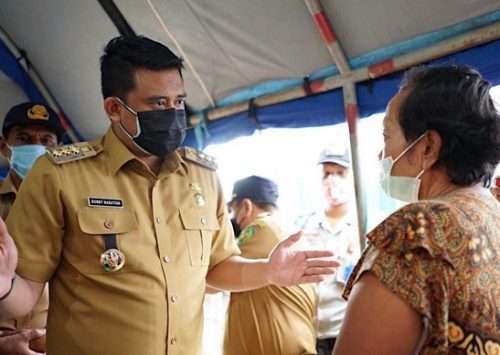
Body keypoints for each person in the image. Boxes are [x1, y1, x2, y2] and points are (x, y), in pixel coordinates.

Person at [0, 36, 337, 355]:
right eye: (157, 103)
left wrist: (268, 272)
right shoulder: (61, 176)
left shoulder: (202, 178)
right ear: (114, 108)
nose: (173, 114)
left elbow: (217, 268)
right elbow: (26, 293)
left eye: (178, 102)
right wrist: (3, 285)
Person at [333, 65, 500, 354]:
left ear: (428, 147)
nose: (381, 155)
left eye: (387, 137)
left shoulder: (416, 230)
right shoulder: (493, 214)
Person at [223, 175, 317, 355]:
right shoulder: (289, 231)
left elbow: (215, 275)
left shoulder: (259, 227)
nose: (232, 218)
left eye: (232, 209)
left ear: (246, 206)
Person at [0, 102, 65, 354]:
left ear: (58, 149)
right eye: (24, 139)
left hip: (50, 340)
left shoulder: (71, 206)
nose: (36, 147)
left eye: (46, 140)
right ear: (4, 146)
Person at [295, 145, 360, 355]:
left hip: (349, 333)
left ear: (352, 177)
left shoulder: (367, 226)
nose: (333, 180)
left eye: (340, 173)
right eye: (327, 173)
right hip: (308, 333)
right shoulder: (301, 227)